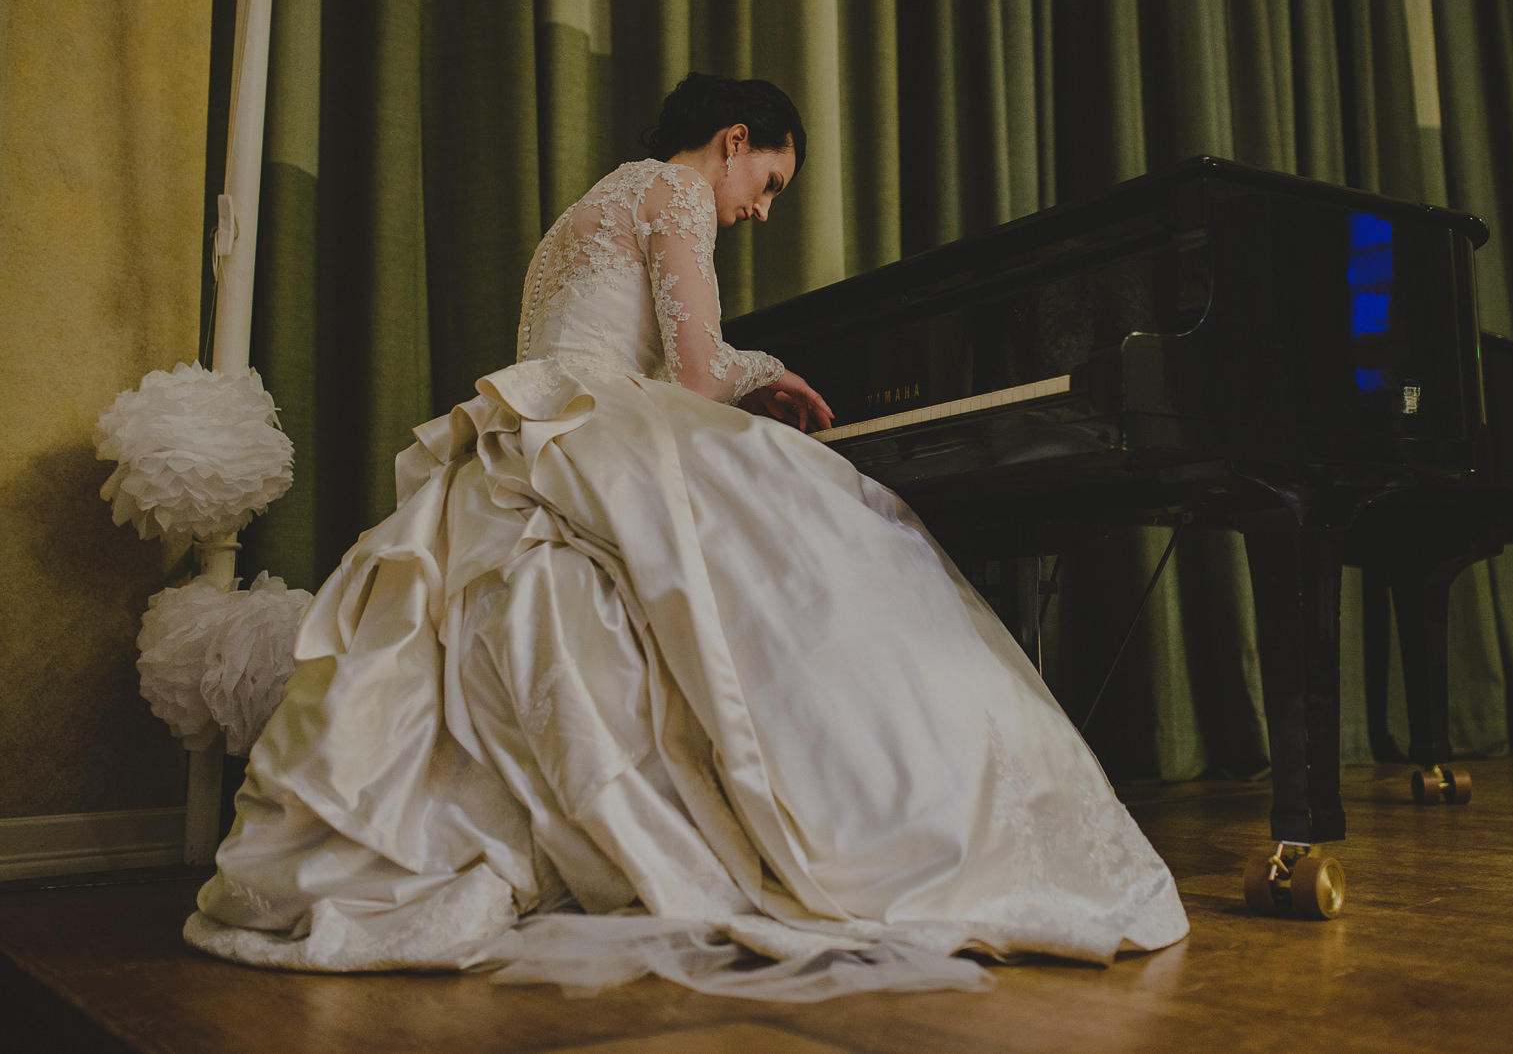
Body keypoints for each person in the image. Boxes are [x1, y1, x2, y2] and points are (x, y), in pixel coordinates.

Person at [185, 73, 1188, 1000]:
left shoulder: (588, 205)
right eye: (770, 179)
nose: (761, 206)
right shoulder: (670, 192)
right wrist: (771, 370)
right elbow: (697, 373)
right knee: (851, 539)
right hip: (596, 422)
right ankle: (896, 821)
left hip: (537, 428)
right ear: (733, 138)